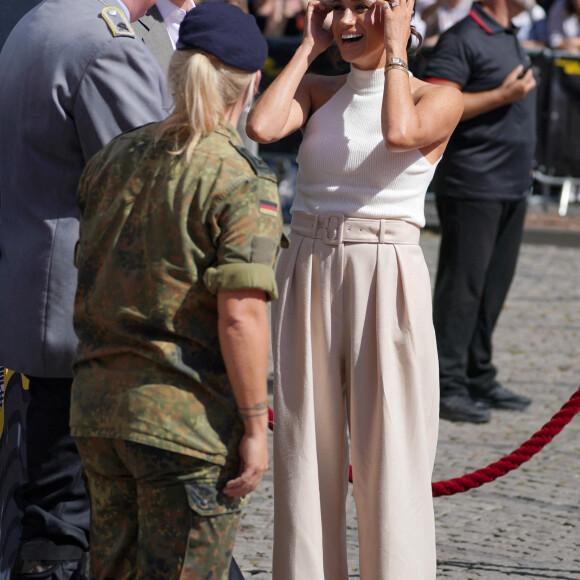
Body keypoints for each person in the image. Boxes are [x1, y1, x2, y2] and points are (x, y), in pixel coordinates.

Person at [246, 0, 463, 578]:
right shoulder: (318, 88)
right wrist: (305, 49)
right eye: (336, 6)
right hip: (308, 265)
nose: (344, 21)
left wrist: (394, 48)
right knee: (303, 451)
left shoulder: (436, 95)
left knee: (392, 452)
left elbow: (398, 135)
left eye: (361, 7)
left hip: (386, 271)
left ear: (398, 12)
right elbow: (262, 127)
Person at [70, 4, 283, 578]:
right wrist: (256, 427)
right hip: (185, 424)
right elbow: (241, 317)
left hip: (99, 409)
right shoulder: (241, 179)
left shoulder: (113, 156)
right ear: (252, 85)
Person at [0, 0, 170, 577]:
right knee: (70, 514)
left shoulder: (42, 18)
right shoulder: (106, 45)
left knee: (51, 499)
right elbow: (147, 191)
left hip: (36, 296)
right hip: (91, 314)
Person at [423, 0, 537, 423]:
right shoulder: (462, 38)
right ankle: (445, 383)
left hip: (511, 185)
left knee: (492, 288)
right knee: (462, 288)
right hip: (473, 184)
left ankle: (477, 373)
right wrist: (501, 96)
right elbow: (437, 106)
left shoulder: (508, 35)